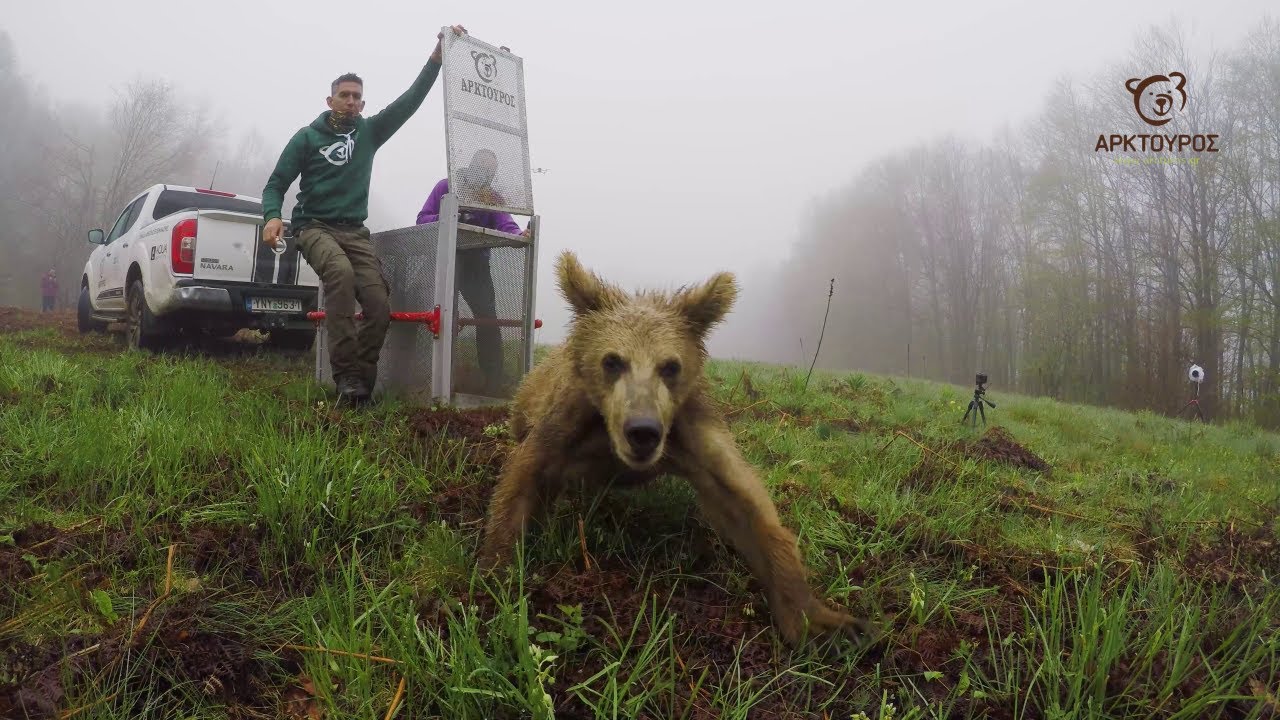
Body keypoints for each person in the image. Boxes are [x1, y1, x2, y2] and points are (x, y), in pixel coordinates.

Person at [261, 24, 467, 405]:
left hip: (355, 233)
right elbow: (275, 183)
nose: (351, 101)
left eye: (357, 96)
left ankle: (361, 384)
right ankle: (344, 378)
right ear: (330, 100)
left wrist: (435, 60)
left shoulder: (370, 133)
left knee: (378, 304)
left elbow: (409, 102)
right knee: (339, 275)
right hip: (313, 226)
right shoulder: (306, 138)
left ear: (363, 104)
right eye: (344, 95)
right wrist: (273, 216)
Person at [416, 149, 531, 396]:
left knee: (487, 318)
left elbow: (506, 225)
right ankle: (427, 377)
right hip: (443, 260)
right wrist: (450, 217)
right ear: (470, 164)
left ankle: (493, 382)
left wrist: (520, 236)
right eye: (482, 166)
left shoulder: (492, 198)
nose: (486, 172)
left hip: (476, 264)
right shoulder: (446, 186)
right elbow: (422, 219)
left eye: (491, 170)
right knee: (439, 315)